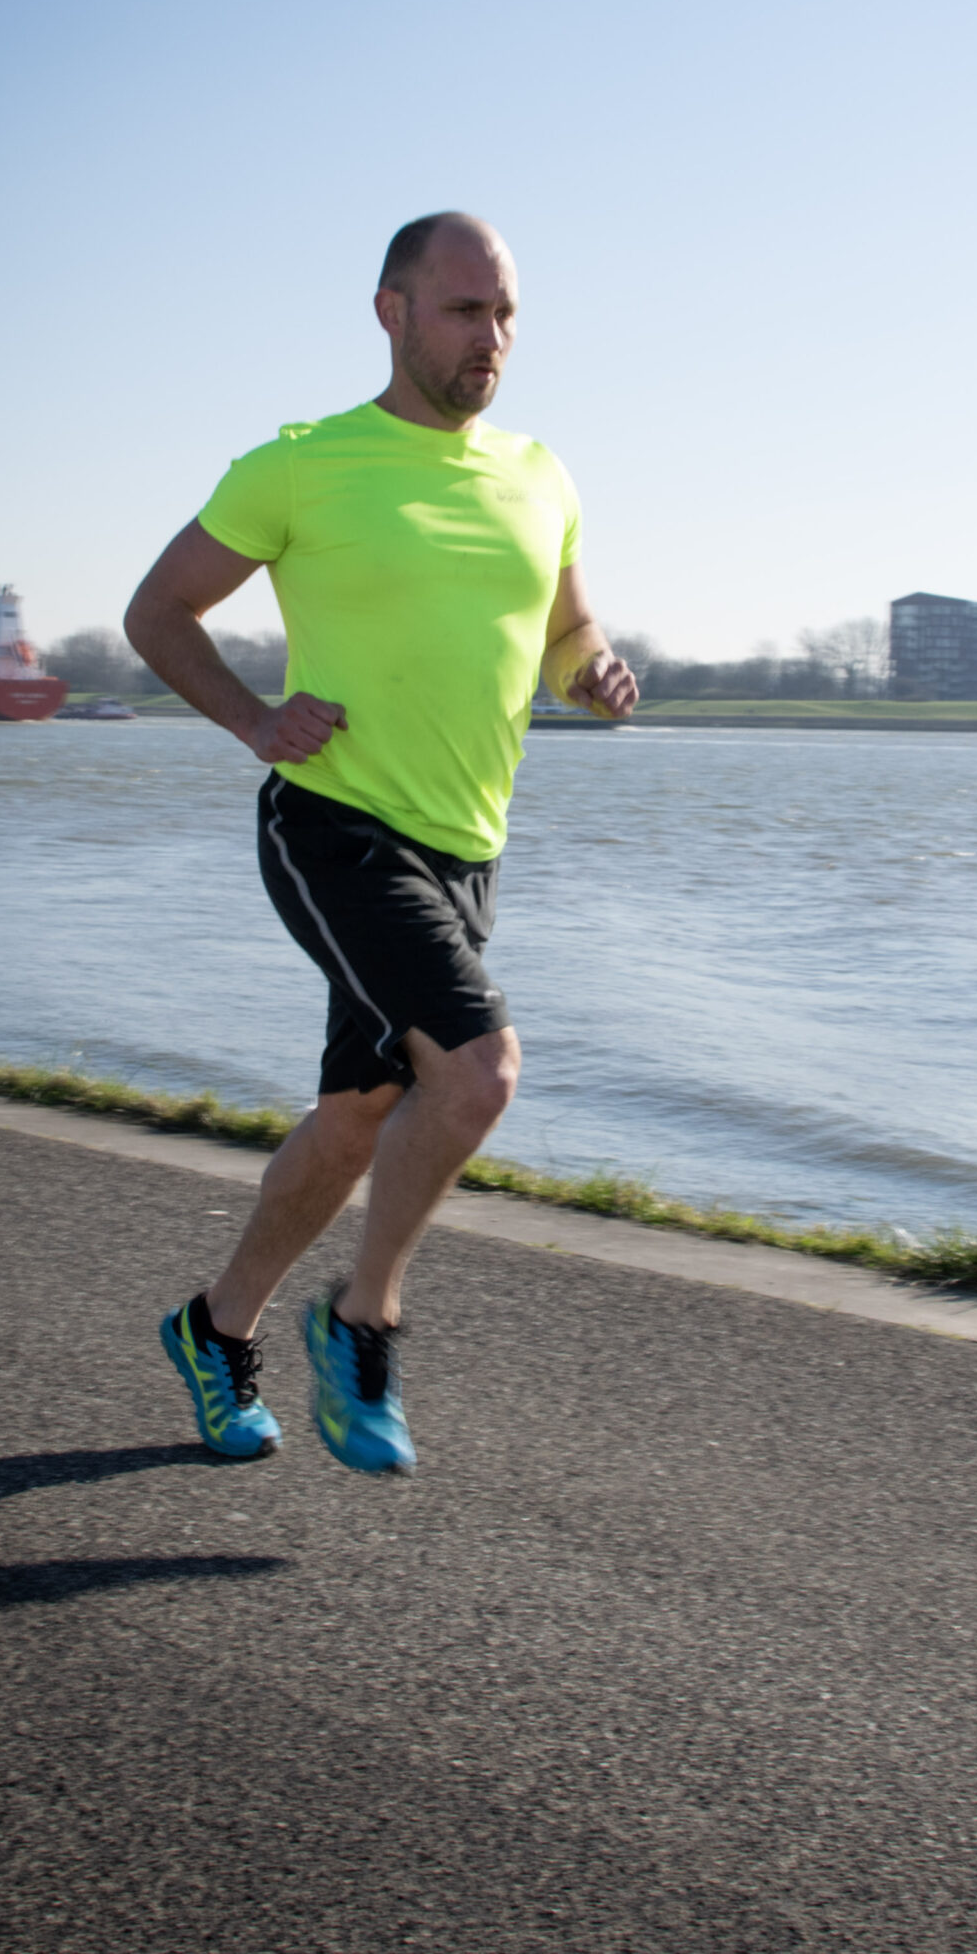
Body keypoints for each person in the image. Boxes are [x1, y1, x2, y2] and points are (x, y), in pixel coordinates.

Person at [125, 212, 636, 1472]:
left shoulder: (540, 474)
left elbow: (567, 634)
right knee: (476, 1073)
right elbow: (158, 611)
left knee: (361, 1111)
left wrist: (595, 673)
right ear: (391, 312)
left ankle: (214, 1325)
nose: (492, 338)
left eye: (507, 312)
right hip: (335, 821)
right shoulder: (300, 466)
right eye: (466, 311)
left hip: (468, 846)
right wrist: (253, 717)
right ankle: (363, 1325)